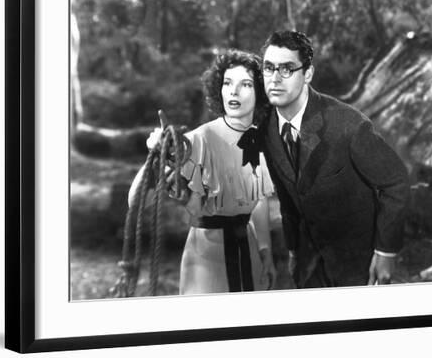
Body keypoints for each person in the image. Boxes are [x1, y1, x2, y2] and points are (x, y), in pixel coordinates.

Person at [258, 30, 410, 288]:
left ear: (307, 74)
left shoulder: (348, 124)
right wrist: (294, 250)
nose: (274, 78)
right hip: (308, 266)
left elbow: (395, 182)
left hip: (357, 265)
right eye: (269, 68)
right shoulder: (268, 130)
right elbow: (288, 198)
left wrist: (386, 253)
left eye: (286, 69)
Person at [128, 50, 276, 295]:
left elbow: (259, 201)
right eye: (227, 82)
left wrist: (265, 251)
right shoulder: (196, 141)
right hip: (206, 257)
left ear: (260, 93)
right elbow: (137, 201)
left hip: (248, 251)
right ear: (218, 88)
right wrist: (156, 156)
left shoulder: (260, 142)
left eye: (245, 84)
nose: (234, 91)